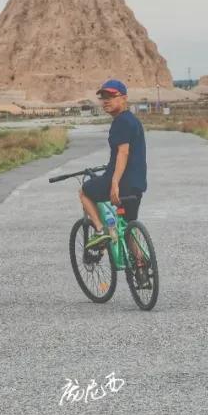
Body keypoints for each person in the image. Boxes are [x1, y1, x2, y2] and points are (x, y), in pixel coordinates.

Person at [78, 80, 148, 277]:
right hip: (137, 184)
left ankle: (100, 231)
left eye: (111, 96)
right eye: (103, 97)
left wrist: (115, 182)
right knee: (128, 226)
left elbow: (123, 153)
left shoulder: (121, 122)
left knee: (84, 191)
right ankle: (141, 269)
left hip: (121, 182)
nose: (105, 101)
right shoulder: (133, 121)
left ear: (124, 98)